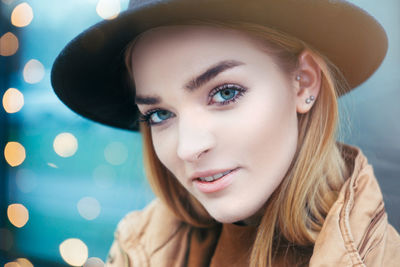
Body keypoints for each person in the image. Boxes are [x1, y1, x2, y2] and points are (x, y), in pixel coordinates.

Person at [51, 0, 400, 266]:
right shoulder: (138, 247)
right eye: (159, 114)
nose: (189, 148)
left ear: (303, 82)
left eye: (225, 93)